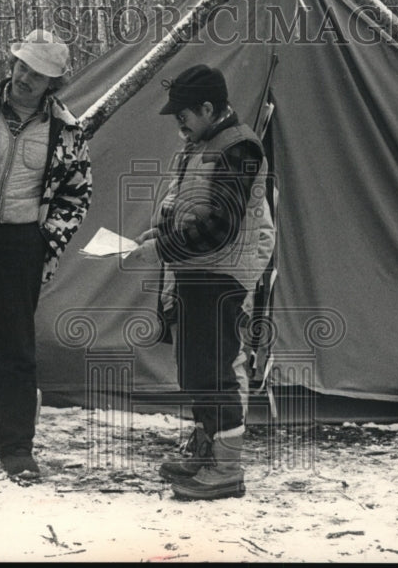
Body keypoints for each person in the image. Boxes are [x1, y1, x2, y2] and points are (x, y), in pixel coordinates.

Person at [0, 28, 92, 479]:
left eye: (38, 73)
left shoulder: (67, 130)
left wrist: (46, 241)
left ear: (54, 82)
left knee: (17, 350)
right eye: (22, 66)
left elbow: (77, 195)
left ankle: (16, 449)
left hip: (22, 242)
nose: (25, 78)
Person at [125, 63, 273, 501]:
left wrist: (164, 248)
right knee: (194, 369)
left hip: (219, 277)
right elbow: (193, 211)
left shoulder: (239, 149)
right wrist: (161, 234)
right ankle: (206, 449)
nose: (178, 124)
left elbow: (221, 228)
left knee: (216, 372)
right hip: (195, 273)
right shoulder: (203, 143)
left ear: (208, 108)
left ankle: (226, 469)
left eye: (183, 115)